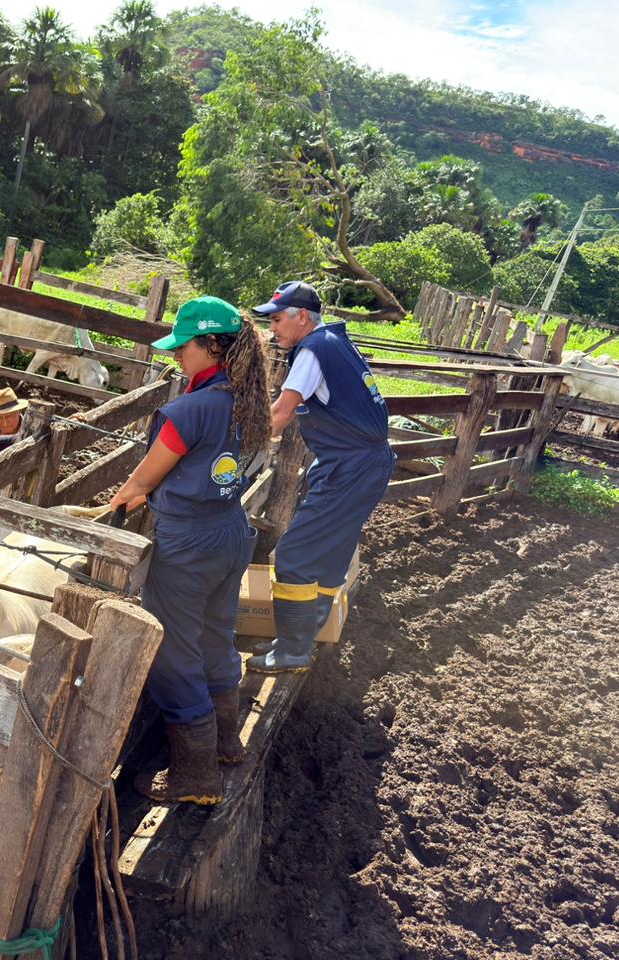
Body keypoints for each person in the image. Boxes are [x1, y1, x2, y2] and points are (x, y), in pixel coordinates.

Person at [108, 296, 271, 806]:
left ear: (213, 346)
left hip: (188, 544)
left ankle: (197, 777)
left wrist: (119, 501)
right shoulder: (249, 402)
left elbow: (144, 480)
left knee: (174, 653)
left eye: (185, 346)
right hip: (230, 530)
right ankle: (226, 741)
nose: (177, 355)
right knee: (216, 633)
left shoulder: (186, 410)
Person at [247, 281, 394, 675]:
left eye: (277, 320)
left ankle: (293, 651)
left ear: (300, 317)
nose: (273, 329)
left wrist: (235, 442)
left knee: (294, 556)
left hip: (352, 467)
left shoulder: (312, 350)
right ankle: (299, 641)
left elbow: (280, 415)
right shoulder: (335, 344)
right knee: (329, 558)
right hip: (363, 463)